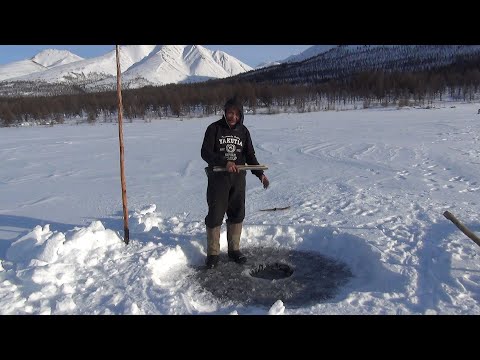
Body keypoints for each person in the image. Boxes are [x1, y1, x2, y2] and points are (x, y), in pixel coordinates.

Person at [201, 97, 269, 269]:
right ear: (225, 112)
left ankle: (234, 250)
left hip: (238, 179)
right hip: (218, 179)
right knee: (215, 214)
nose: (233, 117)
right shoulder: (214, 129)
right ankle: (213, 254)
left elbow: (250, 156)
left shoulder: (244, 132)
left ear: (240, 115)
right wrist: (225, 162)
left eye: (236, 114)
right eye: (230, 113)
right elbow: (205, 153)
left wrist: (260, 174)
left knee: (237, 213)